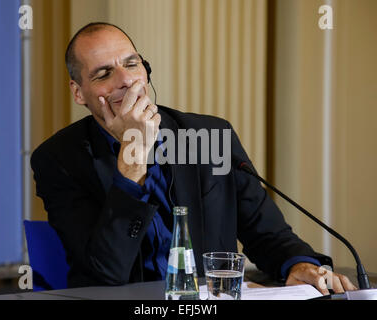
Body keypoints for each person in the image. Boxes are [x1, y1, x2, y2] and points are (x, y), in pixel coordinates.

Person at [31, 22, 357, 294]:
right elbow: (105, 274)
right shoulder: (59, 159)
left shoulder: (209, 135)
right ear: (78, 92)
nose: (126, 80)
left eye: (132, 63)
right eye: (103, 73)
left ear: (146, 71)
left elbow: (268, 235)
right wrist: (133, 158)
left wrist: (300, 266)